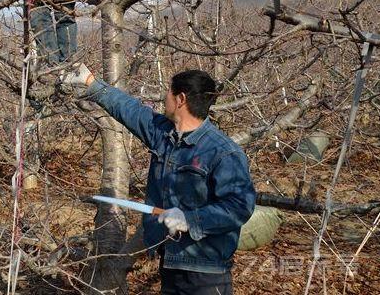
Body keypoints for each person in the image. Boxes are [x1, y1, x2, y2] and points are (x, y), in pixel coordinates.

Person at [63, 64, 255, 294]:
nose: (165, 98)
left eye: (169, 93)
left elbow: (239, 207)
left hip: (206, 272)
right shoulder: (163, 135)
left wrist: (190, 219)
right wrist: (91, 83)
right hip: (170, 262)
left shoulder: (223, 152)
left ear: (181, 99)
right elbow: (130, 110)